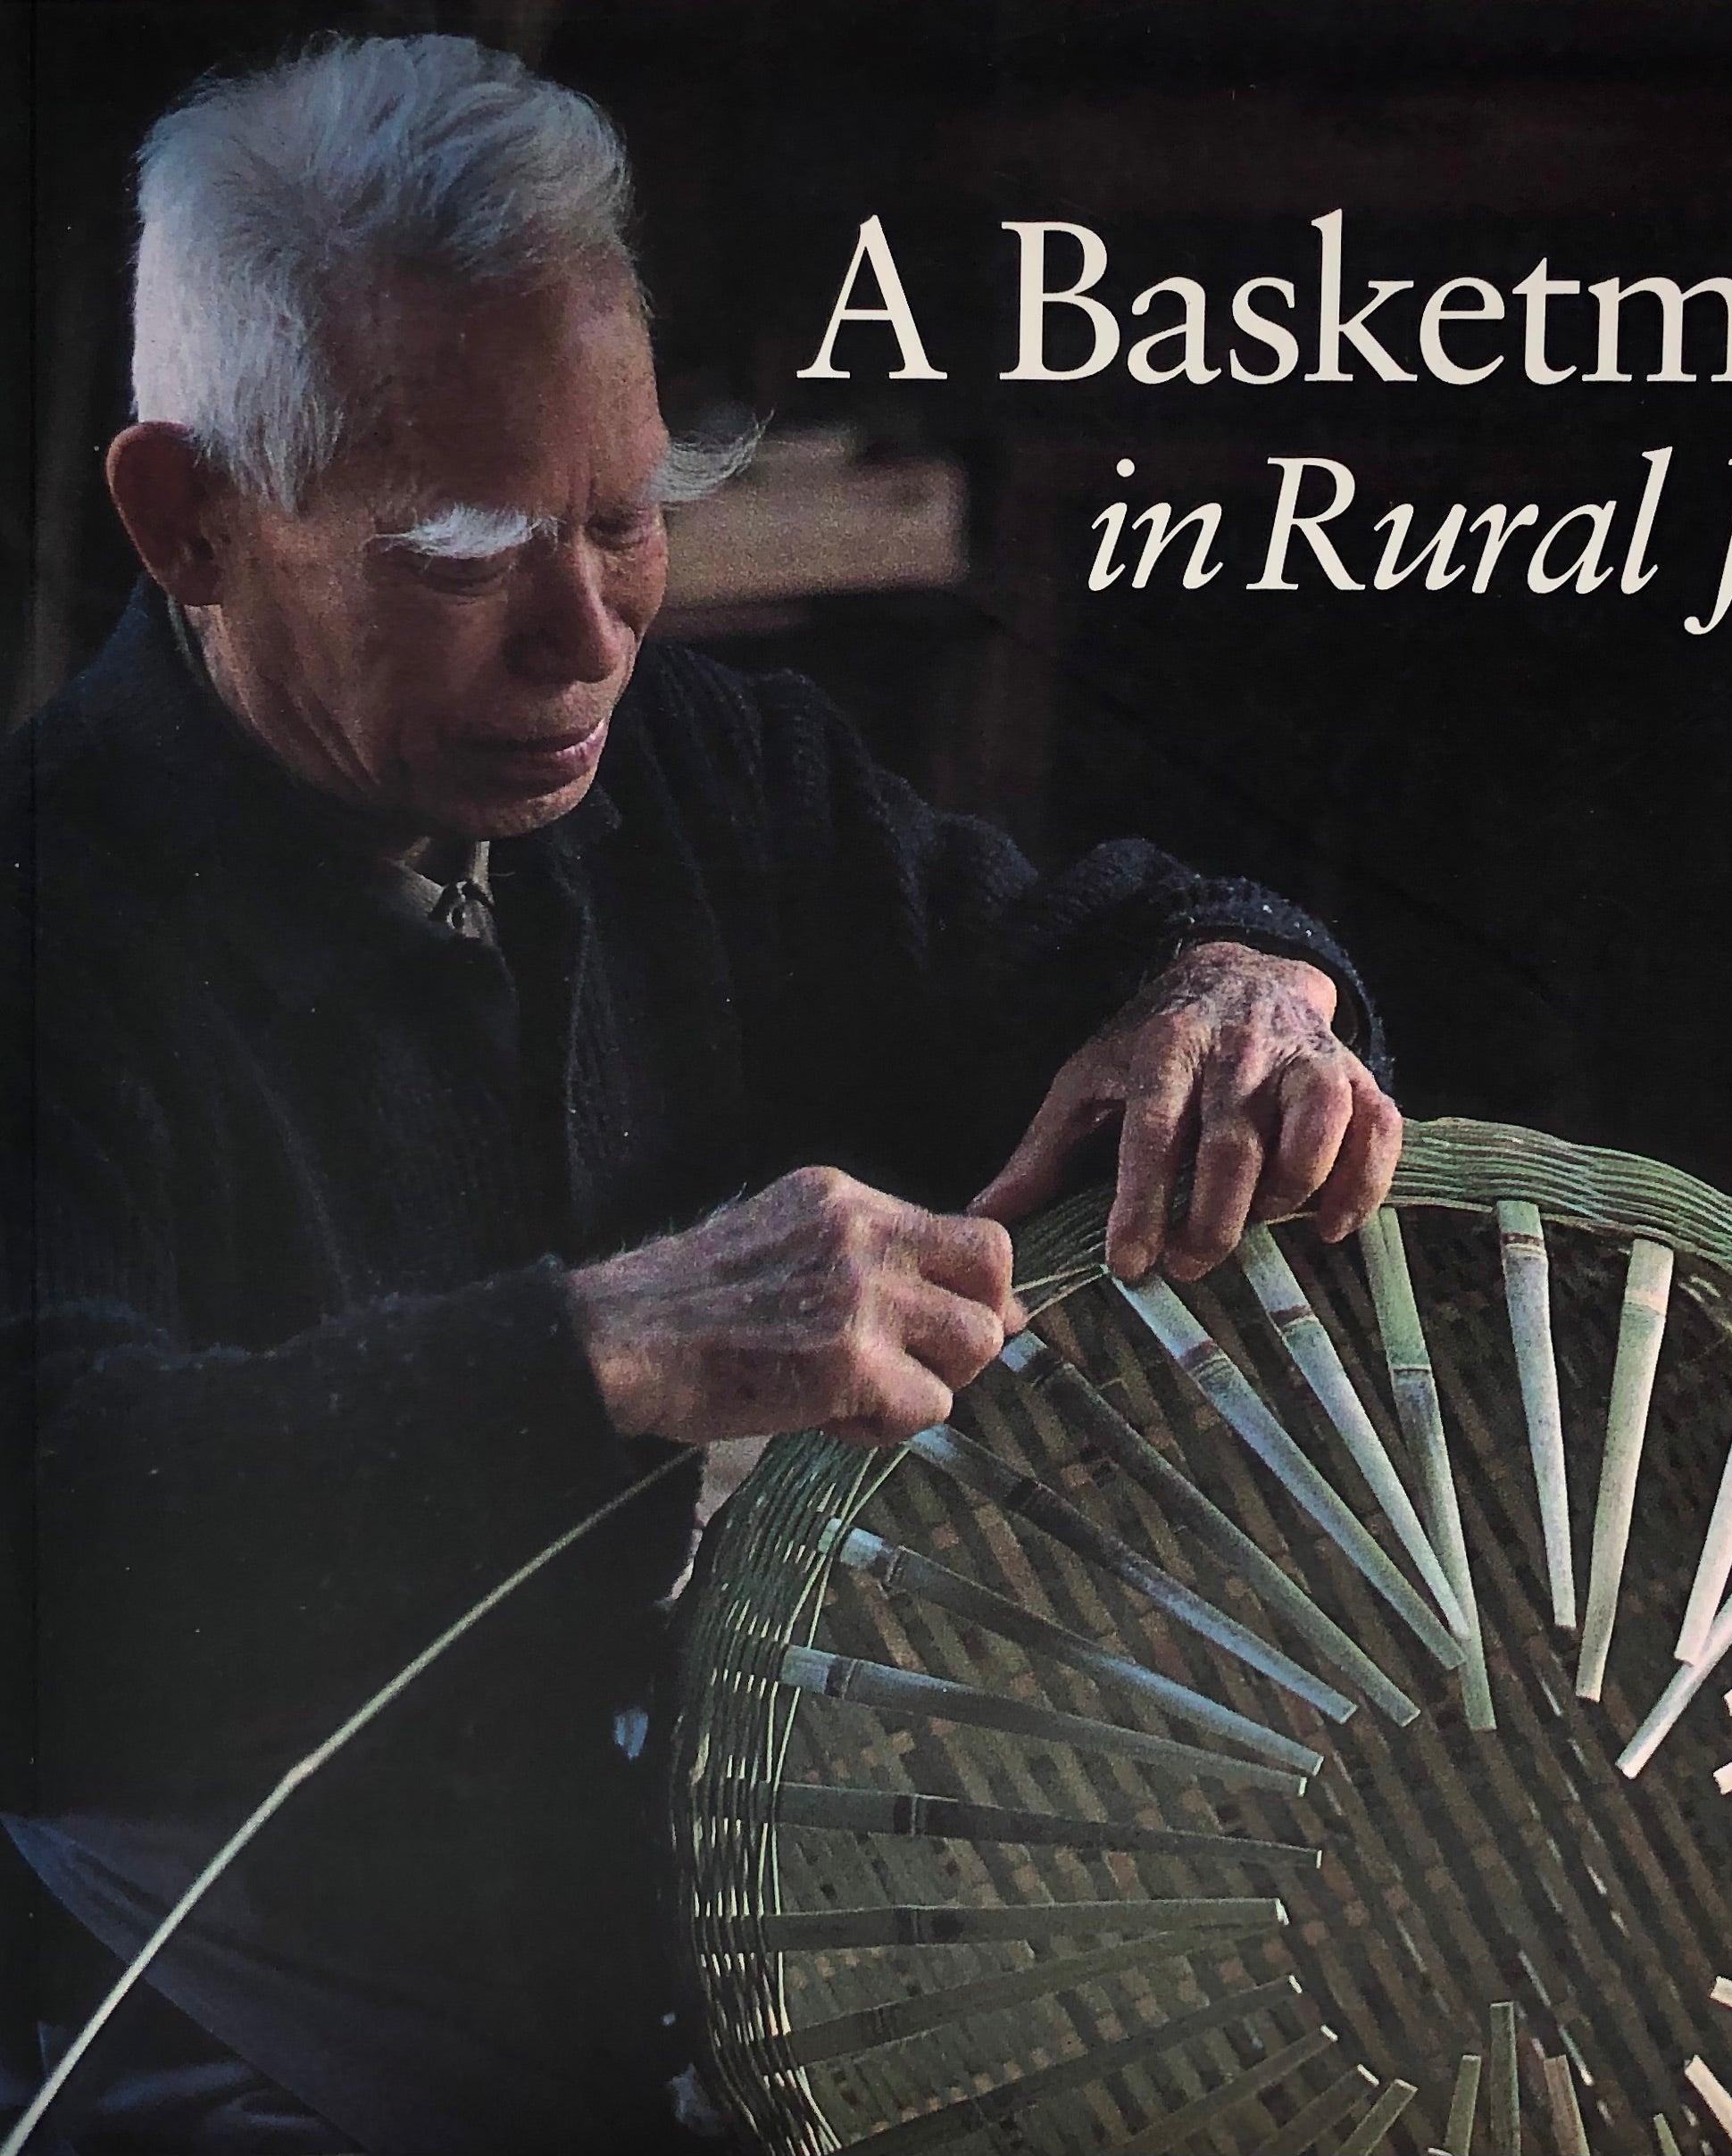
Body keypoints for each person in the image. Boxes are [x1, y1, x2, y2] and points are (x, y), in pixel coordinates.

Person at [0, 33, 1402, 2156]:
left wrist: (1234, 983)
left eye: (628, 511)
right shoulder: (42, 926)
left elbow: (1068, 949)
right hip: (215, 2031)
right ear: (188, 519)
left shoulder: (692, 774)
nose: (587, 638)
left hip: (707, 1953)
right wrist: (606, 1346)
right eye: (464, 544)